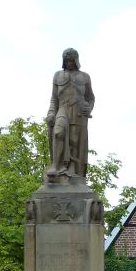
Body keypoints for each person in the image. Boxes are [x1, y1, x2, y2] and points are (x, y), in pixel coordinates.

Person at [45, 48, 94, 178]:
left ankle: (72, 170)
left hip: (78, 113)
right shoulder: (58, 76)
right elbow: (54, 99)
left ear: (76, 61)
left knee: (74, 141)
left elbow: (91, 98)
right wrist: (50, 113)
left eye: (72, 60)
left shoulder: (85, 77)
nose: (69, 63)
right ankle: (56, 165)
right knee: (58, 133)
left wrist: (89, 108)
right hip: (63, 109)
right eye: (67, 60)